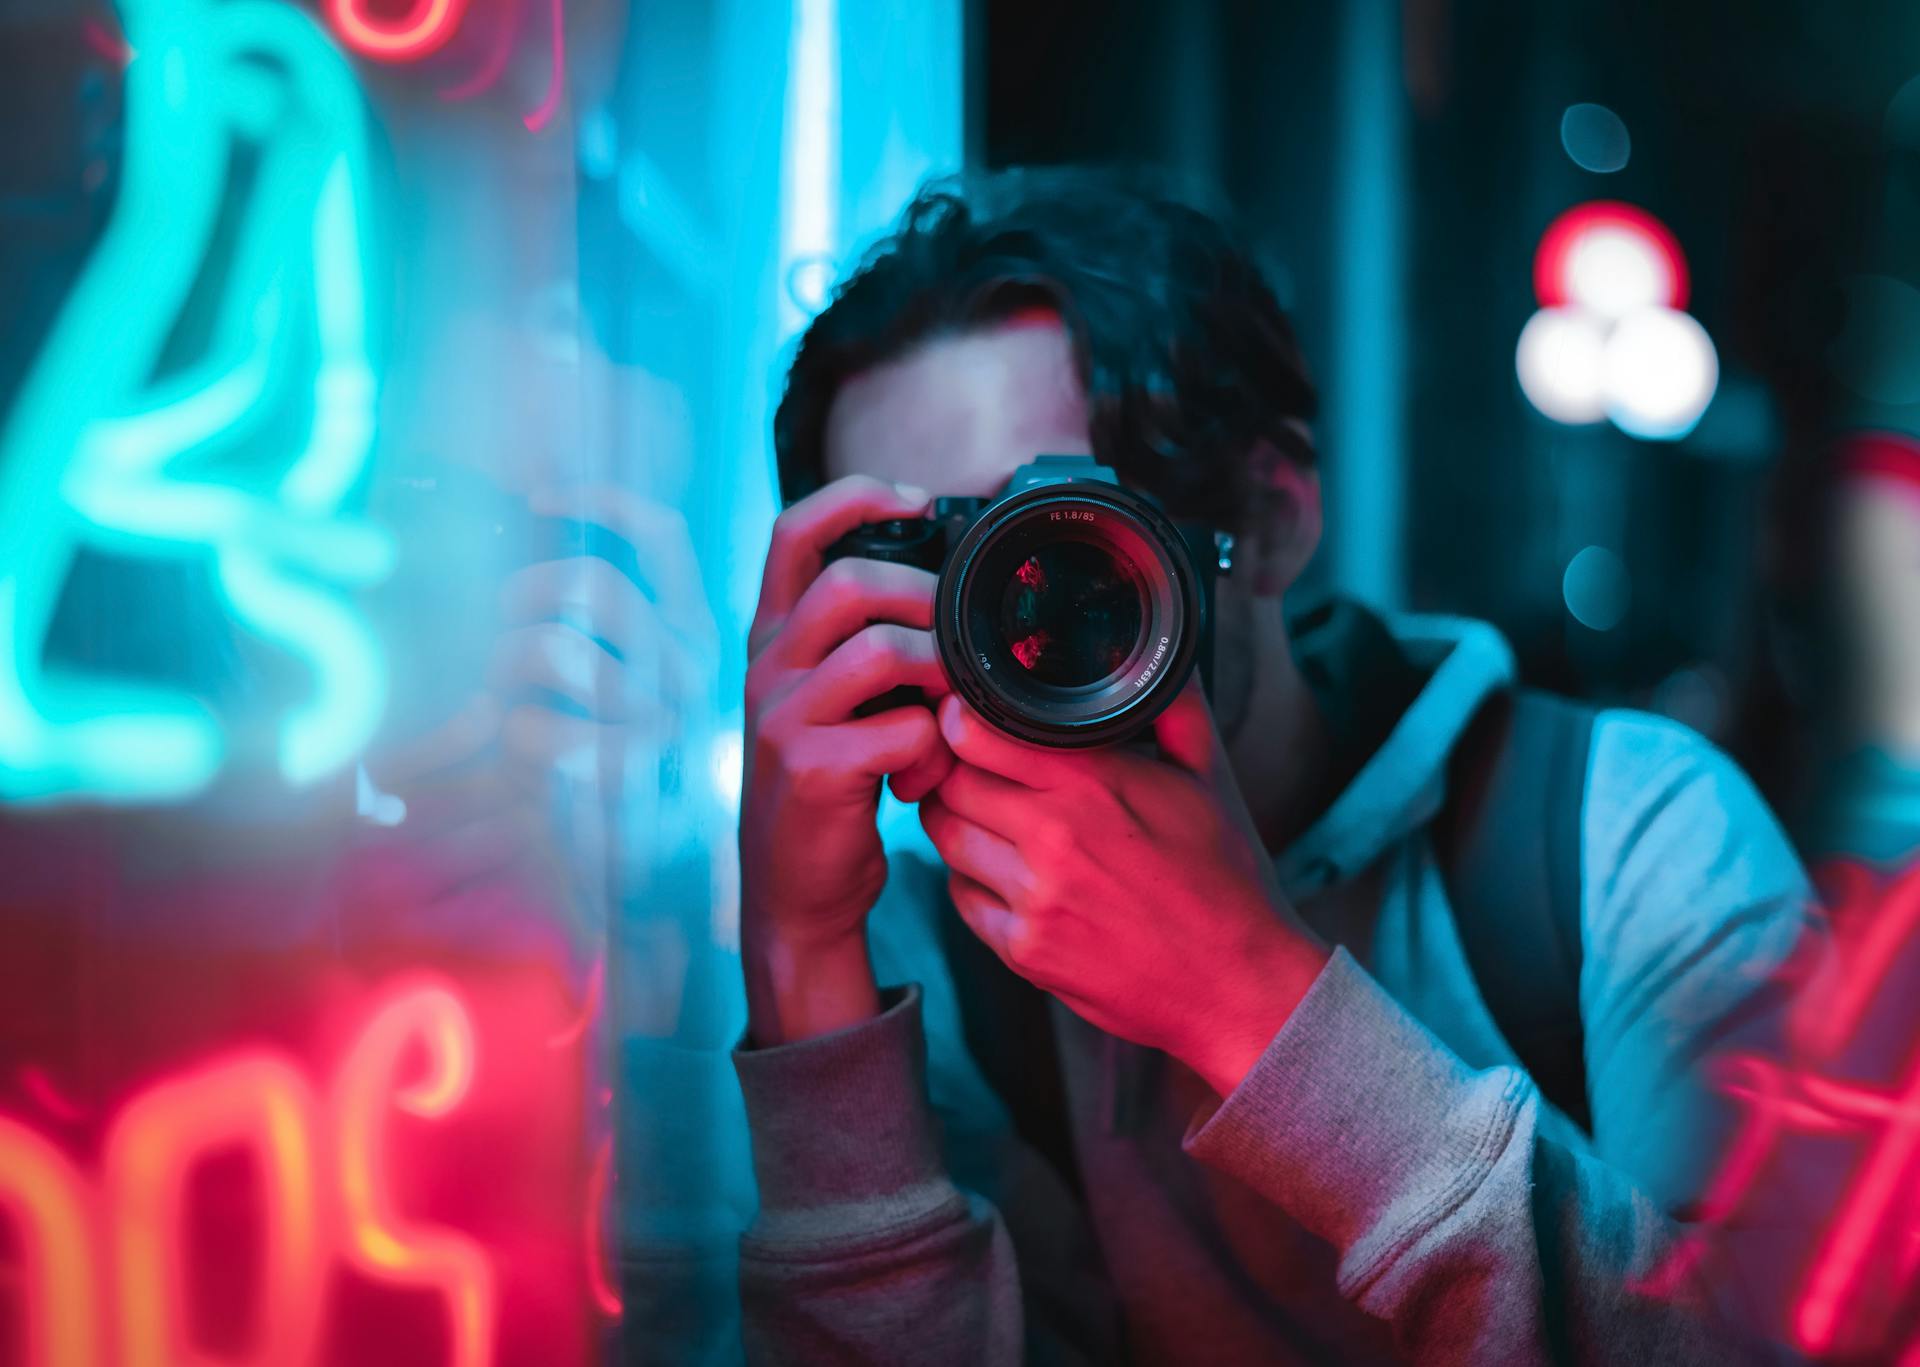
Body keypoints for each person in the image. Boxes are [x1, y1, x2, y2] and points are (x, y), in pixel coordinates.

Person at [731, 167, 1817, 1364]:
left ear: (1276, 516)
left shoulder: (1620, 839)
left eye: (1054, 531)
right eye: (941, 556)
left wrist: (1252, 997)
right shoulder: (935, 957)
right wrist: (802, 957)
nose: (1010, 616)